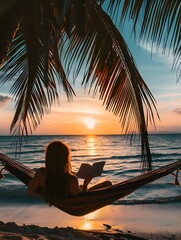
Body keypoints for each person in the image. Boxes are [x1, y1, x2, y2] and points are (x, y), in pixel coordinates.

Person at [28, 140, 112, 205]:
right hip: (76, 204)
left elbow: (30, 191)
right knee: (108, 184)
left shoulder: (40, 173)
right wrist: (86, 183)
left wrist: (48, 195)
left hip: (55, 196)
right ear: (65, 159)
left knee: (81, 186)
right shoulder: (71, 180)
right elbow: (82, 200)